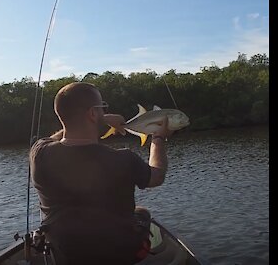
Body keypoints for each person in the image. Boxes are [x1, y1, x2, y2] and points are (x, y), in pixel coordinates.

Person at [29, 82, 174, 265]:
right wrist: (158, 138)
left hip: (65, 254)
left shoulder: (39, 153)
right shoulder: (124, 160)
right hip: (119, 254)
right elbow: (157, 175)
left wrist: (99, 117)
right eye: (102, 107)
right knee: (142, 213)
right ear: (92, 113)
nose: (104, 111)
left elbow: (53, 138)